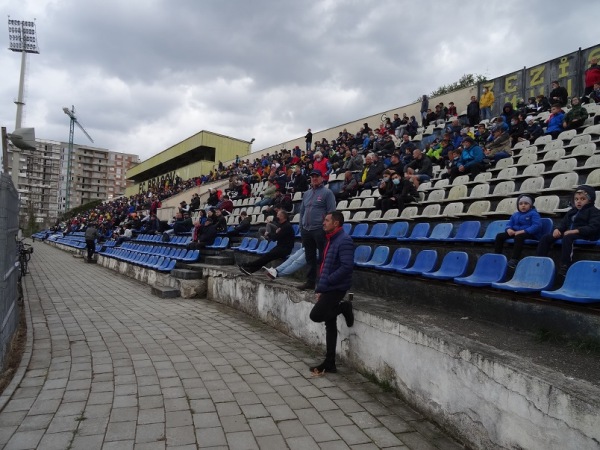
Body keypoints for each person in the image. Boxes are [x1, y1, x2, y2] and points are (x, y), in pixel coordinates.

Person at [308, 211, 354, 376]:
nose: (323, 223)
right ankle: (330, 362)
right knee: (330, 323)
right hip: (328, 286)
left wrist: (327, 283)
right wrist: (320, 287)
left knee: (316, 315)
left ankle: (344, 307)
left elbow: (347, 266)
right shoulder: (331, 240)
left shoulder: (344, 241)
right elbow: (324, 267)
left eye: (326, 220)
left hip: (337, 288)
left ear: (336, 223)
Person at [536, 185, 600, 276]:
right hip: (570, 233)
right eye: (576, 199)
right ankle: (538, 261)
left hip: (586, 235)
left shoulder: (594, 211)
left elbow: (593, 227)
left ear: (590, 200)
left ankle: (565, 265)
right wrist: (557, 230)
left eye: (582, 199)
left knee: (568, 237)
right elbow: (563, 224)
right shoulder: (572, 212)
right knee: (546, 237)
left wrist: (576, 231)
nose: (578, 201)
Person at [298, 169, 336, 290]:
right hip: (307, 230)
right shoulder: (307, 194)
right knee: (310, 257)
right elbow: (302, 211)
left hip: (320, 230)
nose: (314, 178)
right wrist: (301, 227)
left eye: (317, 176)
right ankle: (310, 282)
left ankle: (323, 282)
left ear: (321, 178)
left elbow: (331, 212)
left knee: (323, 257)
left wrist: (326, 228)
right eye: (312, 176)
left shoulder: (327, 193)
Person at [239, 210, 295, 274]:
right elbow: (276, 236)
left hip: (285, 249)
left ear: (282, 217)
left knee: (267, 257)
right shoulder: (282, 225)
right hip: (280, 247)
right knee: (266, 257)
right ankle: (250, 269)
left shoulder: (286, 226)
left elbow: (275, 238)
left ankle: (248, 265)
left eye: (278, 215)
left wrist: (268, 234)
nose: (276, 217)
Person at [494, 195, 542, 269]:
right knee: (500, 236)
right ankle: (496, 256)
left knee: (519, 237)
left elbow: (537, 226)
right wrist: (509, 229)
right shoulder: (515, 214)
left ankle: (514, 259)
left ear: (531, 205)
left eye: (526, 203)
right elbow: (509, 224)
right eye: (521, 204)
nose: (523, 205)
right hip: (516, 232)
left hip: (530, 234)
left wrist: (524, 231)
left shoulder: (534, 213)